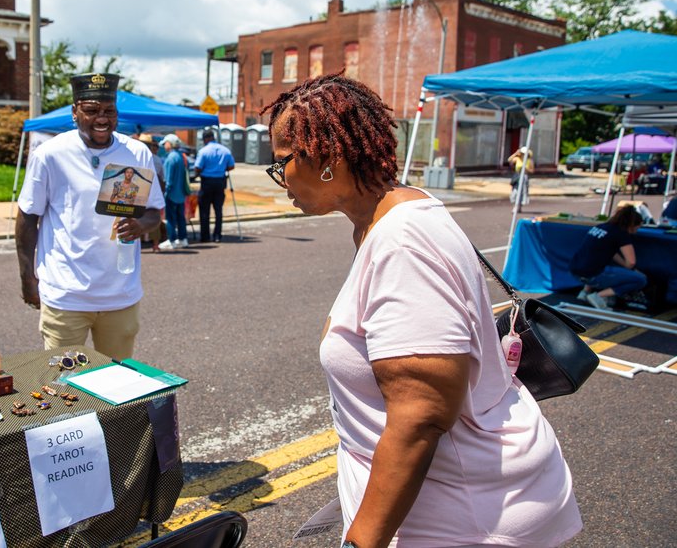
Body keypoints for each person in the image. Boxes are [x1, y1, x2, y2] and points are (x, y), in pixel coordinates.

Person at [262, 72, 582, 548]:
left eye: (281, 162)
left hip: (467, 518)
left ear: (326, 158)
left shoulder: (403, 241)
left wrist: (362, 542)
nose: (278, 176)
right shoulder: (390, 215)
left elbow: (422, 414)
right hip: (455, 502)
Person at [15, 73, 164, 359]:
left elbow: (154, 213)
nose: (102, 118)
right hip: (66, 296)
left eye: (109, 111)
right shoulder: (50, 154)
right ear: (75, 112)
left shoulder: (137, 153)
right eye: (92, 110)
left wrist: (140, 224)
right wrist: (27, 278)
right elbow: (27, 218)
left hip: (120, 295)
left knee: (118, 383)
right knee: (64, 389)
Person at [569, 204, 647, 310]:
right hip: (593, 275)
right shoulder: (621, 234)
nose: (638, 230)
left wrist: (624, 267)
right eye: (638, 227)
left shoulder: (601, 226)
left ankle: (584, 292)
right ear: (632, 225)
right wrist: (630, 271)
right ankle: (598, 296)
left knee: (595, 261)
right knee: (640, 279)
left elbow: (610, 252)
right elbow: (631, 262)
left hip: (575, 270)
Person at [193, 129, 235, 242]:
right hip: (220, 182)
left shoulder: (203, 151)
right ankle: (217, 235)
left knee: (204, 210)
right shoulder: (225, 150)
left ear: (206, 139)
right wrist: (221, 168)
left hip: (207, 182)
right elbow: (231, 166)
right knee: (218, 210)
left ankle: (205, 236)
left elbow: (198, 167)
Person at [159, 133, 190, 250]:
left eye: (165, 143)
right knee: (180, 217)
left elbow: (168, 180)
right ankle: (183, 239)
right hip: (180, 193)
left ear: (170, 144)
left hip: (171, 194)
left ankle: (172, 240)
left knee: (170, 218)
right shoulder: (180, 156)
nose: (164, 145)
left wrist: (165, 192)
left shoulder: (171, 158)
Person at [139, 133, 167, 252]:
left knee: (137, 215)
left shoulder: (136, 155)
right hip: (152, 188)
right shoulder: (156, 159)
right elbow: (162, 176)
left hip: (140, 188)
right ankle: (155, 244)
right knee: (153, 215)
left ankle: (138, 243)